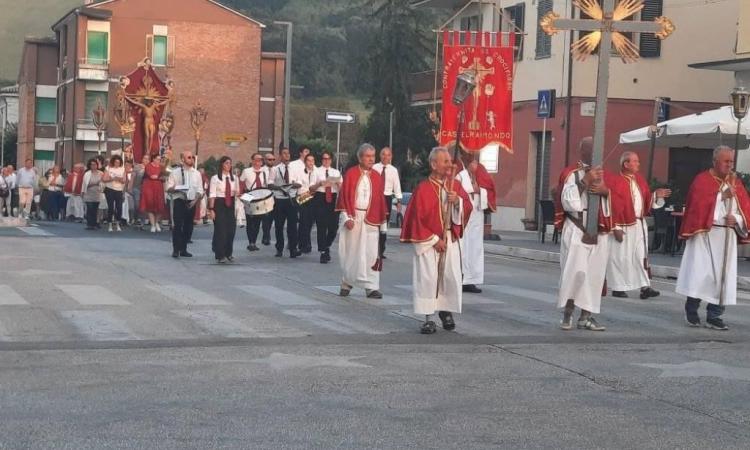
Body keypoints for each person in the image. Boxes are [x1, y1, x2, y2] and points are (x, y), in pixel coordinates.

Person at [676, 146, 750, 330]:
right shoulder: (702, 180)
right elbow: (696, 205)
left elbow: (746, 208)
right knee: (700, 274)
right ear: (715, 161)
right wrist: (720, 197)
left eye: (731, 161)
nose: (729, 165)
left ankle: (714, 315)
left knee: (723, 278)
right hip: (705, 234)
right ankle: (692, 311)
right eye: (726, 161)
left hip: (727, 235)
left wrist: (738, 219)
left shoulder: (735, 182)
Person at [401, 147, 472, 334]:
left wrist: (457, 202)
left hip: (449, 238)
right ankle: (429, 318)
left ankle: (446, 311)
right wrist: (434, 240)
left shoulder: (455, 186)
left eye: (450, 161)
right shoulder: (423, 189)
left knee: (449, 277)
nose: (450, 164)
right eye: (446, 161)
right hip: (430, 242)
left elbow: (468, 207)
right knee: (429, 279)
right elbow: (417, 220)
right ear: (434, 164)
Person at [554, 137, 612, 331]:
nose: (597, 152)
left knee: (593, 276)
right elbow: (568, 202)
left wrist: (605, 193)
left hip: (599, 231)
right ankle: (568, 315)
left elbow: (616, 203)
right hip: (577, 228)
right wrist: (585, 182)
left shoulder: (604, 174)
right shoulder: (572, 174)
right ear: (583, 151)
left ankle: (586, 316)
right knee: (574, 273)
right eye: (592, 148)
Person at [607, 151, 671, 299]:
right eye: (635, 161)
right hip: (622, 224)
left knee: (640, 255)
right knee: (621, 256)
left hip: (638, 224)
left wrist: (656, 195)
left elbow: (647, 201)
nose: (638, 164)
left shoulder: (639, 180)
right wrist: (614, 227)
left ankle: (645, 287)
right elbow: (612, 206)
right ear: (626, 164)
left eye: (638, 161)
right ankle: (618, 287)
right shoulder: (616, 181)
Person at [336, 143, 387, 299]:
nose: (371, 159)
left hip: (370, 219)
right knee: (352, 252)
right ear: (360, 157)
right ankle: (347, 282)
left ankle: (371, 287)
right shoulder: (351, 174)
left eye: (373, 156)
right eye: (368, 156)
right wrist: (346, 217)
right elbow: (344, 197)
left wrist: (382, 223)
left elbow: (380, 200)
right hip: (354, 217)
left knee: (371, 254)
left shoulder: (377, 176)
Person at [455, 152, 489, 294]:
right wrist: (471, 190)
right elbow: (457, 191)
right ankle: (461, 277)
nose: (476, 165)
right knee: (463, 246)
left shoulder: (480, 175)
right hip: (465, 214)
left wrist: (479, 191)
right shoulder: (460, 175)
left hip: (476, 215)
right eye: (473, 162)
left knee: (475, 248)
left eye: (476, 162)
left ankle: (472, 279)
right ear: (468, 163)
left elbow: (488, 189)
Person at [167, 151, 204, 258]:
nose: (191, 159)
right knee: (178, 226)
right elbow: (168, 188)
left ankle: (184, 249)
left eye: (192, 157)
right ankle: (176, 249)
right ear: (182, 159)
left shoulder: (197, 173)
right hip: (179, 200)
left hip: (191, 201)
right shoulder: (175, 172)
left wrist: (195, 200)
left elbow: (200, 189)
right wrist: (175, 188)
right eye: (189, 157)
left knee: (188, 227)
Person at [268, 147, 302, 258]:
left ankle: (293, 249)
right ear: (280, 155)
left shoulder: (295, 169)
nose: (287, 155)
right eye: (284, 153)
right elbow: (270, 184)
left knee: (292, 226)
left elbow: (300, 183)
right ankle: (279, 248)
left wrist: (293, 184)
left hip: (291, 198)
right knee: (279, 225)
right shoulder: (275, 169)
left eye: (288, 153)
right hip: (279, 199)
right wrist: (280, 188)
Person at [208, 156, 240, 263]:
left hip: (230, 203)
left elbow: (237, 192)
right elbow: (212, 194)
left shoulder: (234, 178)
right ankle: (220, 254)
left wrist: (237, 193)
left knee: (231, 229)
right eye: (226, 163)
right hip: (219, 203)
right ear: (222, 164)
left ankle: (228, 253)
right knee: (221, 230)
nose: (229, 165)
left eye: (230, 163)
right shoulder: (215, 178)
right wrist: (211, 209)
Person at [372, 146, 403, 258]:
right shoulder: (374, 168)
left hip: (387, 198)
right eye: (383, 154)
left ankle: (381, 249)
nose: (385, 157)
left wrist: (399, 201)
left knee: (384, 225)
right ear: (380, 156)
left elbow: (397, 187)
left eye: (388, 155)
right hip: (375, 197)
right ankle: (373, 249)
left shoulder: (393, 170)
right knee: (374, 224)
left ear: (391, 157)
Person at [314, 150, 342, 263]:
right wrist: (320, 184)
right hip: (320, 197)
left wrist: (338, 184)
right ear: (322, 160)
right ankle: (323, 251)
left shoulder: (335, 172)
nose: (326, 161)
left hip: (333, 198)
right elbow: (311, 188)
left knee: (333, 227)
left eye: (328, 159)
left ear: (331, 160)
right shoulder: (316, 171)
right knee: (321, 226)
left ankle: (327, 245)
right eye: (324, 159)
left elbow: (342, 188)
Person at [240, 152, 269, 251]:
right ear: (252, 161)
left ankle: (254, 242)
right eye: (256, 160)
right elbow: (242, 185)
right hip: (249, 197)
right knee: (250, 221)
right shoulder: (246, 171)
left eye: (260, 160)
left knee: (257, 222)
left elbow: (266, 185)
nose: (258, 162)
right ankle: (250, 242)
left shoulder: (265, 172)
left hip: (260, 198)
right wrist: (245, 199)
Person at [298, 153, 320, 254]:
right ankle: (304, 244)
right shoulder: (301, 173)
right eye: (309, 160)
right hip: (303, 198)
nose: (311, 162)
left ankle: (306, 243)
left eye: (312, 160)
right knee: (303, 222)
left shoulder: (317, 172)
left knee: (310, 223)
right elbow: (299, 186)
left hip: (314, 199)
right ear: (305, 162)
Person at [139, 154, 166, 232]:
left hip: (159, 187)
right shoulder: (148, 166)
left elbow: (164, 177)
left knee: (160, 206)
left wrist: (160, 177)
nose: (158, 161)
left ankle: (156, 222)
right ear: (153, 159)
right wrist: (154, 177)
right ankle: (153, 225)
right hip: (149, 187)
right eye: (157, 159)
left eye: (159, 159)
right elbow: (149, 175)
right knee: (150, 206)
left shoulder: (161, 167)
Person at [102, 155, 126, 232]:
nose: (117, 164)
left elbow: (124, 180)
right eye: (116, 162)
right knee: (111, 207)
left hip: (119, 190)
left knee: (119, 207)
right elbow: (104, 179)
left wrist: (119, 179)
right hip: (110, 189)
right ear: (113, 162)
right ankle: (110, 224)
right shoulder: (108, 168)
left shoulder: (122, 169)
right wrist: (112, 179)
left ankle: (118, 223)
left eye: (119, 162)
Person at [81, 158, 103, 230]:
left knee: (95, 209)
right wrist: (83, 192)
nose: (93, 166)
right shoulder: (87, 174)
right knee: (89, 208)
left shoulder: (100, 173)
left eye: (95, 164)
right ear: (89, 166)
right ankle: (89, 223)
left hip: (97, 194)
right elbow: (85, 184)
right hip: (88, 193)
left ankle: (94, 223)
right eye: (92, 165)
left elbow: (103, 183)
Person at [261, 152, 277, 244]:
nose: (272, 161)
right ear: (265, 160)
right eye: (270, 159)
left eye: (273, 159)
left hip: (276, 196)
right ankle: (266, 236)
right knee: (266, 218)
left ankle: (266, 235)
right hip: (266, 196)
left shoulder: (276, 169)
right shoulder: (262, 170)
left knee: (274, 217)